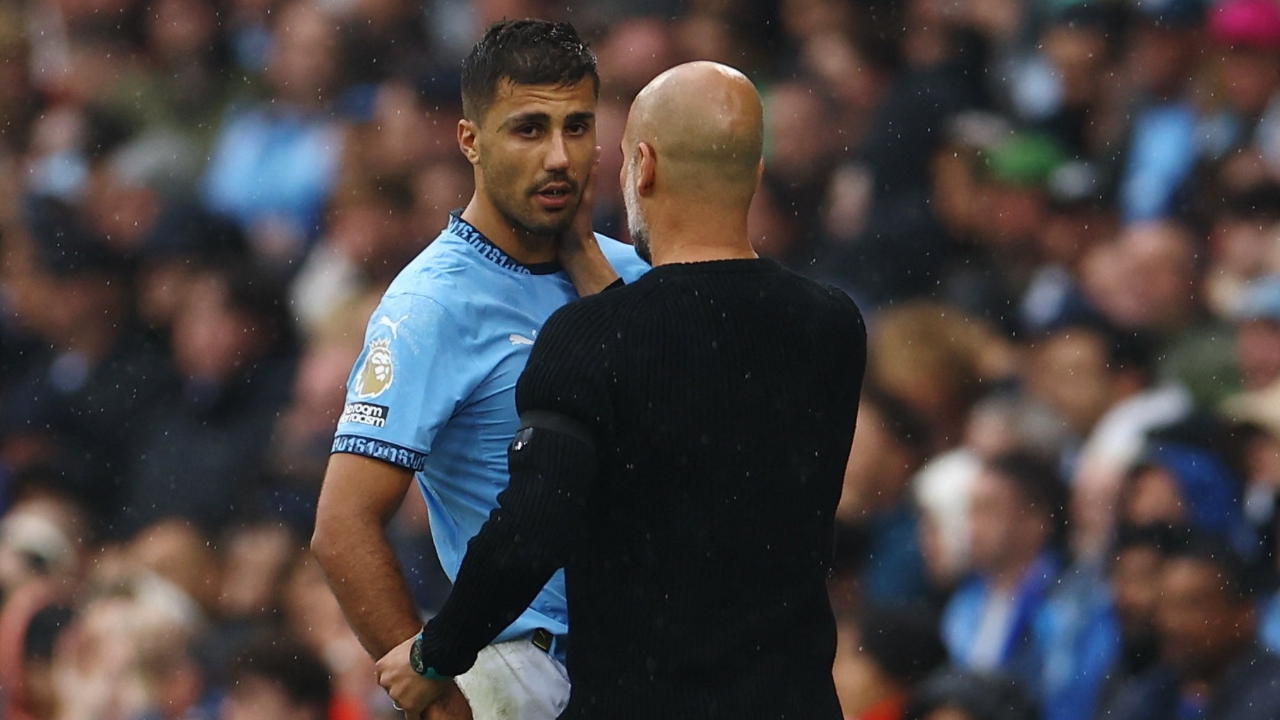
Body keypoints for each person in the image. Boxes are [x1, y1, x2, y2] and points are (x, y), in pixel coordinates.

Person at [375, 61, 867, 719]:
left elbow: (530, 531)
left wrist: (436, 651)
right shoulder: (832, 324)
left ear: (643, 167)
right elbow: (703, 378)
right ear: (754, 174)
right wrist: (592, 270)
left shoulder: (590, 339)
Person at [309, 18, 648, 720]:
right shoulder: (429, 307)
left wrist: (587, 261)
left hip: (658, 660)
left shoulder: (633, 274)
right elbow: (342, 526)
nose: (559, 156)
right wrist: (437, 700)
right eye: (529, 129)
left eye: (577, 127)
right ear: (470, 140)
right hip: (529, 673)